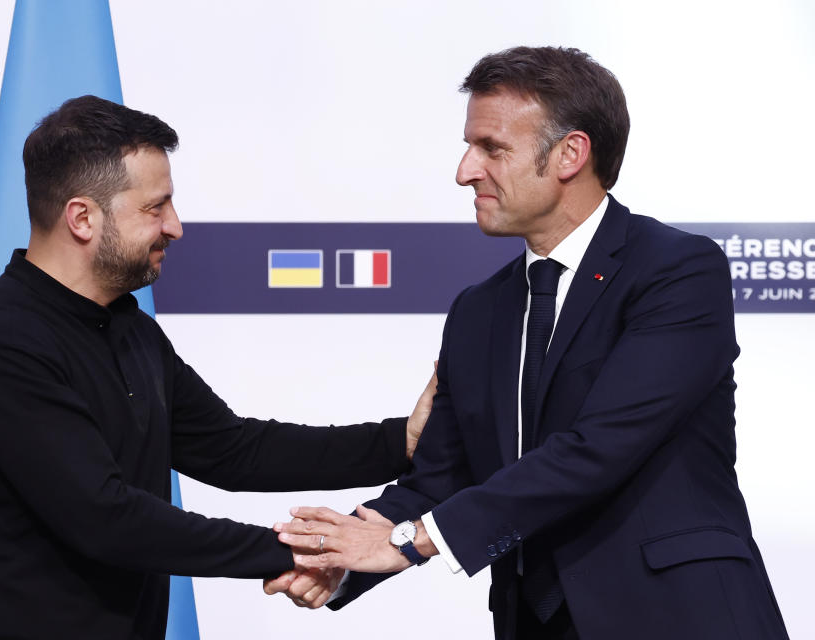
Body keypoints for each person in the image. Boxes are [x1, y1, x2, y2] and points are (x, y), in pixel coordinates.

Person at [269, 46, 789, 639]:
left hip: (679, 615)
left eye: (492, 148)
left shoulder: (677, 271)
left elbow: (599, 447)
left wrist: (406, 542)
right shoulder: (477, 310)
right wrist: (339, 560)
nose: (464, 171)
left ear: (571, 153)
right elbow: (440, 476)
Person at [0, 95, 435, 640]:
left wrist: (400, 443)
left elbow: (234, 450)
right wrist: (296, 550)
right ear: (82, 217)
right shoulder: (4, 344)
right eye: (156, 207)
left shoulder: (129, 328)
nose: (175, 226)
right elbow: (106, 518)